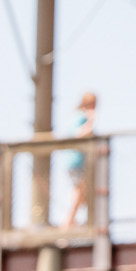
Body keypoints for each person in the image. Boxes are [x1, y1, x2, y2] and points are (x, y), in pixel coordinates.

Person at [61, 91, 98, 229]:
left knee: (82, 191)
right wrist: (91, 120)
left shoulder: (74, 116)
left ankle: (75, 219)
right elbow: (79, 134)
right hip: (76, 160)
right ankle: (69, 221)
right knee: (78, 190)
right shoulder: (80, 117)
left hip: (77, 161)